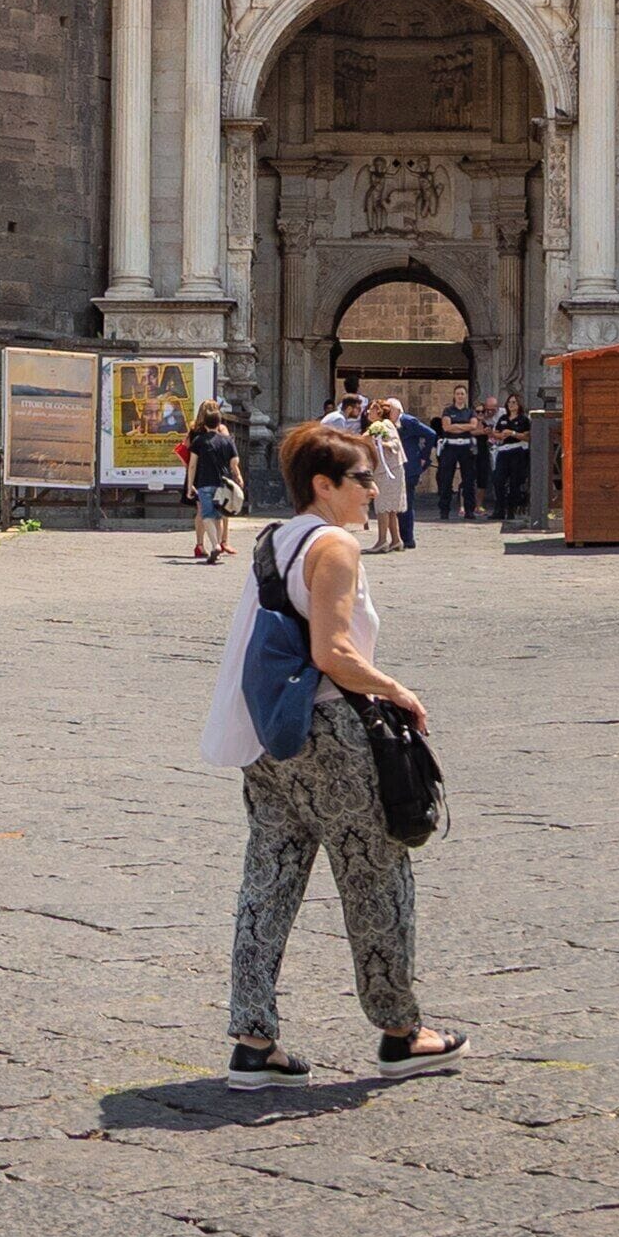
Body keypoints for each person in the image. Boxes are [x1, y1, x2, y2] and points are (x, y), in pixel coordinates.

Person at [202, 420, 469, 1089]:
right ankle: (400, 1031)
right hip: (331, 737)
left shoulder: (274, 539)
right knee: (376, 878)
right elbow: (333, 653)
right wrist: (397, 689)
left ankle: (252, 1038)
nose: (372, 487)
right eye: (361, 478)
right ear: (324, 484)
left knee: (267, 881)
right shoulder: (335, 546)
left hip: (271, 737)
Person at [187, 399, 243, 563]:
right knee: (219, 516)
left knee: (206, 515)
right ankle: (219, 543)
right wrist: (238, 476)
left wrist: (190, 484)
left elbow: (191, 465)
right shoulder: (227, 440)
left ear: (205, 424)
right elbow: (235, 462)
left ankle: (214, 545)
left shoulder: (198, 440)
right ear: (219, 422)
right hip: (222, 482)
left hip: (203, 482)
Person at [434, 385, 481, 523]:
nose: (460, 396)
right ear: (454, 396)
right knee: (446, 479)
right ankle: (444, 510)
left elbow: (473, 426)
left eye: (462, 393)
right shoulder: (448, 410)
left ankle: (469, 510)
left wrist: (456, 426)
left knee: (468, 480)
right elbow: (446, 427)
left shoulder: (470, 412)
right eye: (458, 393)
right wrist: (463, 426)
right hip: (450, 447)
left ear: (466, 396)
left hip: (466, 447)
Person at [366, 402, 407, 553]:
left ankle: (382, 540)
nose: (368, 412)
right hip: (384, 470)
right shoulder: (375, 427)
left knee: (383, 506)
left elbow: (395, 443)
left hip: (390, 471)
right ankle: (396, 540)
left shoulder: (386, 424)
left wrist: (384, 444)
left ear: (378, 411)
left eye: (371, 409)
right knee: (388, 508)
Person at [395, 400, 437, 549]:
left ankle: (408, 538)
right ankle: (400, 536)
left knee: (407, 502)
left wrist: (424, 456)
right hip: (400, 467)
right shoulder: (390, 423)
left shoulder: (408, 421)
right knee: (400, 503)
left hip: (410, 466)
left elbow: (431, 434)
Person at [488, 387, 531, 523]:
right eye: (509, 403)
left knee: (515, 482)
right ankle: (499, 509)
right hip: (504, 450)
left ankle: (512, 509)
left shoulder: (523, 419)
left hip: (517, 451)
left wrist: (513, 433)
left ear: (519, 405)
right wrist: (502, 434)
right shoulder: (503, 418)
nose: (511, 405)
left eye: (514, 402)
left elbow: (527, 436)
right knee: (498, 479)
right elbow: (496, 433)